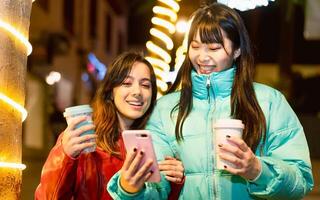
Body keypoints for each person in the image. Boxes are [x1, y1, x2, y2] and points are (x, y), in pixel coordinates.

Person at [107, 3, 314, 199]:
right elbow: (157, 191)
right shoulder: (166, 109)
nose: (202, 57)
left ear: (237, 50)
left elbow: (301, 182)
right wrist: (131, 188)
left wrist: (257, 170)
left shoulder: (269, 102)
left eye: (214, 48)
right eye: (195, 46)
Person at [35, 51, 185, 199]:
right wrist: (64, 155)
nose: (137, 91)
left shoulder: (158, 142)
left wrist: (175, 182)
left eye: (145, 85)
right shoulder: (83, 137)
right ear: (111, 91)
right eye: (127, 83)